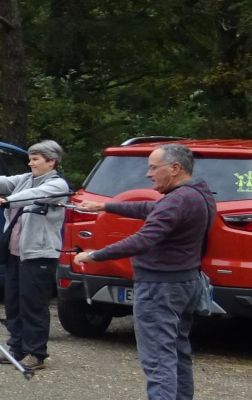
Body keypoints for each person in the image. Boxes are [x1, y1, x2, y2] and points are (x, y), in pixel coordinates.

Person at [72, 144, 214, 400]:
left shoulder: (178, 200)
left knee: (159, 360)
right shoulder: (196, 194)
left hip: (161, 289)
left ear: (175, 168)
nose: (148, 174)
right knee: (176, 354)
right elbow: (151, 209)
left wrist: (94, 255)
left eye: (153, 167)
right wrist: (106, 207)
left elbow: (142, 240)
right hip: (184, 283)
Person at [0, 140, 70, 370]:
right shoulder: (24, 179)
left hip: (39, 254)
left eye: (36, 159)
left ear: (51, 162)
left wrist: (5, 200)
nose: (30, 162)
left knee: (34, 304)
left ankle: (36, 353)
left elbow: (34, 195)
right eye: (30, 158)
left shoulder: (57, 185)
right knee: (13, 302)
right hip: (15, 252)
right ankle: (16, 348)